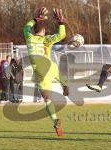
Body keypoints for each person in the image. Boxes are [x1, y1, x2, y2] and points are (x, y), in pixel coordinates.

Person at [23, 7, 69, 136]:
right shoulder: (46, 40)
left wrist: (35, 19)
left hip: (40, 72)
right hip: (51, 67)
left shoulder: (29, 39)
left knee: (47, 99)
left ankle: (55, 120)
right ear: (43, 31)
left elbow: (26, 27)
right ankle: (64, 83)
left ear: (35, 30)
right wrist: (61, 23)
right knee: (56, 69)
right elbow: (62, 35)